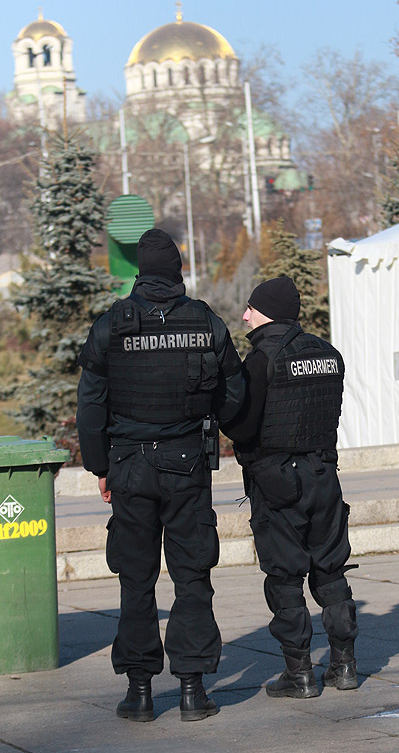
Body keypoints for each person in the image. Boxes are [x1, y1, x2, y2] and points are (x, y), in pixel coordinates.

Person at [76, 228, 245, 722]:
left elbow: (91, 404)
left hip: (129, 467)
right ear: (177, 272)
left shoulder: (111, 325)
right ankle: (192, 690)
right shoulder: (206, 322)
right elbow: (233, 394)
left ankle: (140, 692)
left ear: (139, 273)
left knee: (136, 578)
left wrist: (100, 467)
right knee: (192, 575)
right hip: (187, 464)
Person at [222, 276, 358, 699]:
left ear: (268, 312)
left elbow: (242, 424)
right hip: (324, 475)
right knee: (331, 570)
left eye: (250, 307)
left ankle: (300, 675)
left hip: (278, 481)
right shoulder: (327, 353)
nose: (244, 315)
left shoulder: (262, 359)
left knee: (284, 576)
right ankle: (345, 666)